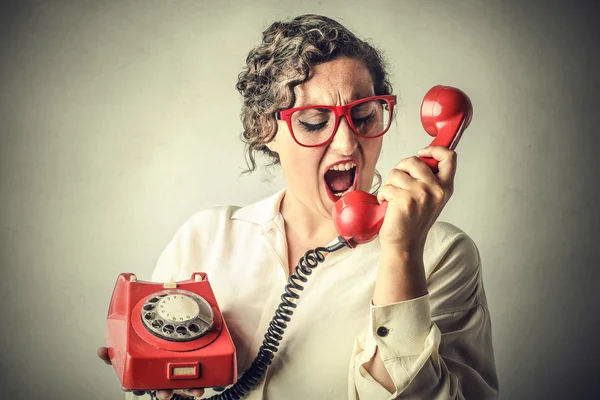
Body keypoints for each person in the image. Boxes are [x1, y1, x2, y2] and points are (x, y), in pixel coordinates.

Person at [98, 14, 499, 400]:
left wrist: (402, 253)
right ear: (265, 129)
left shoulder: (442, 255)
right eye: (313, 121)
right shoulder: (205, 238)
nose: (346, 144)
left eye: (364, 115)